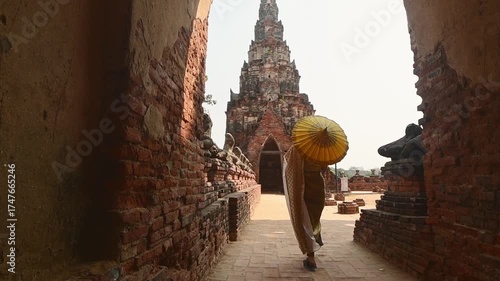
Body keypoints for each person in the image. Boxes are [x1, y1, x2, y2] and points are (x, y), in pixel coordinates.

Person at [282, 145, 327, 272]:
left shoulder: (298, 147)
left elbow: (287, 164)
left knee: (306, 220)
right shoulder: (322, 149)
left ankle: (311, 257)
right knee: (313, 220)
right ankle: (312, 250)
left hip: (303, 186)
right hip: (318, 185)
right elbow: (324, 168)